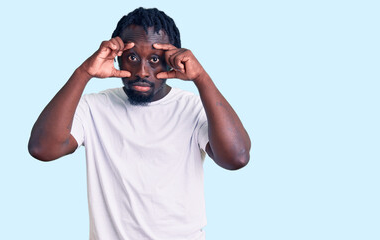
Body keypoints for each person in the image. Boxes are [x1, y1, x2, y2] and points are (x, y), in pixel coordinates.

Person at [28, 7, 251, 240]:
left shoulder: (193, 108)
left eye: (154, 59)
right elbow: (42, 149)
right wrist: (84, 72)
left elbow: (237, 158)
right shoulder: (94, 107)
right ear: (117, 57)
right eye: (132, 58)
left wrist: (202, 78)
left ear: (171, 61)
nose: (142, 71)